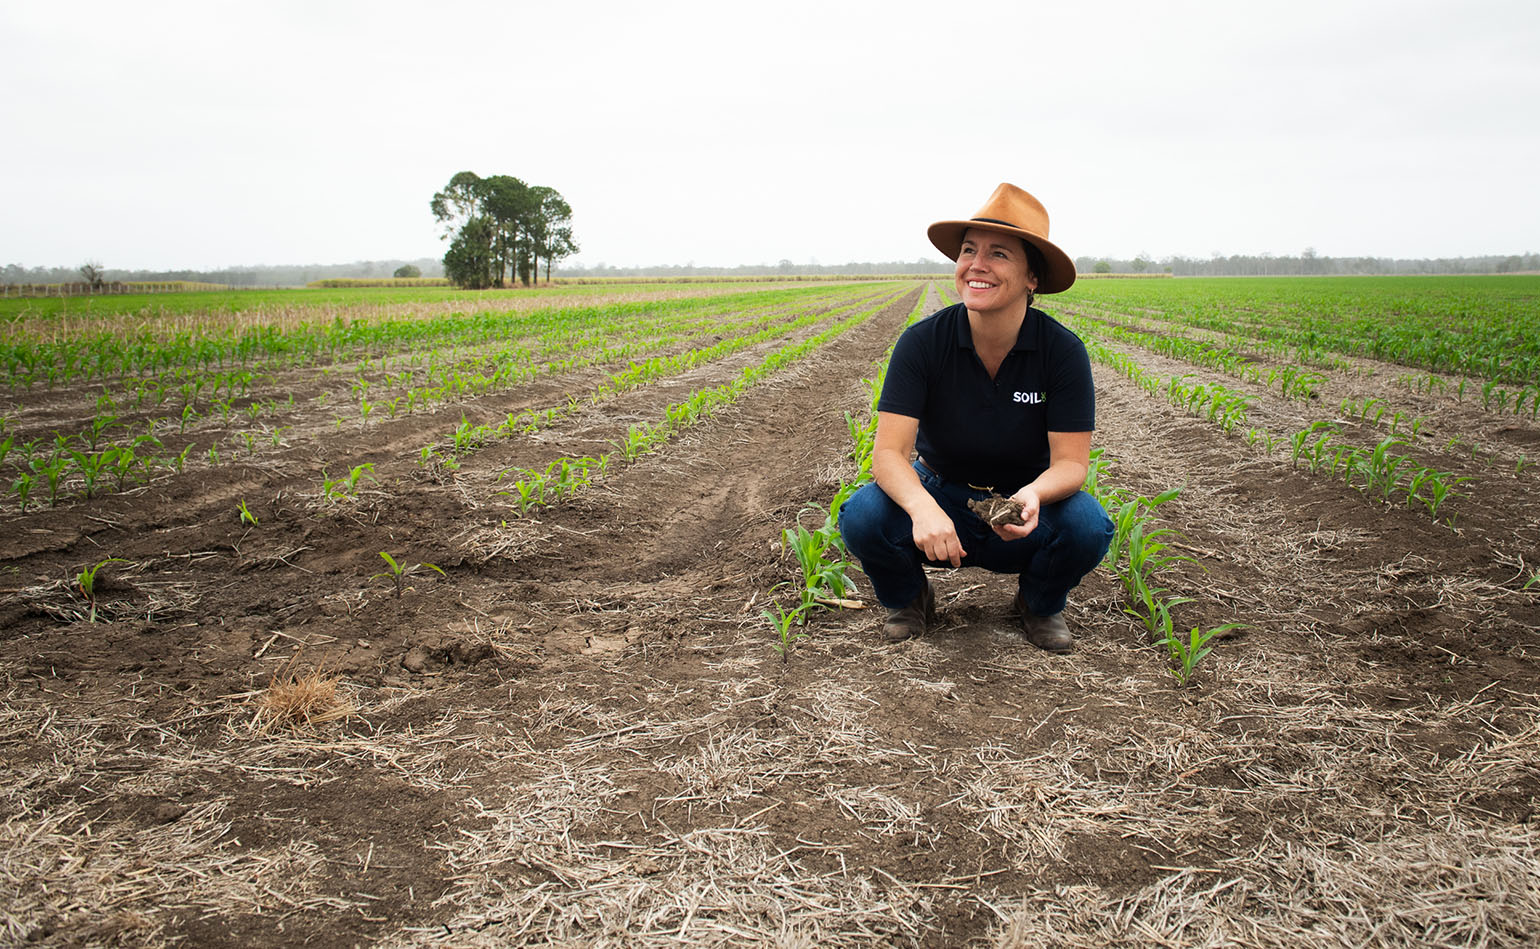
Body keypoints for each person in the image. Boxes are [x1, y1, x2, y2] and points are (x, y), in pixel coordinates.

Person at [839, 183, 1114, 652]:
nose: (976, 265)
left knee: (1089, 526)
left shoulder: (1062, 352)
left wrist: (1031, 496)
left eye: (999, 254)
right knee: (862, 516)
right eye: (969, 250)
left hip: (1023, 504)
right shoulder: (923, 343)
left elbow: (1071, 464)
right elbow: (887, 454)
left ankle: (1039, 603)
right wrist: (924, 508)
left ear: (1033, 277)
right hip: (941, 490)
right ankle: (909, 599)